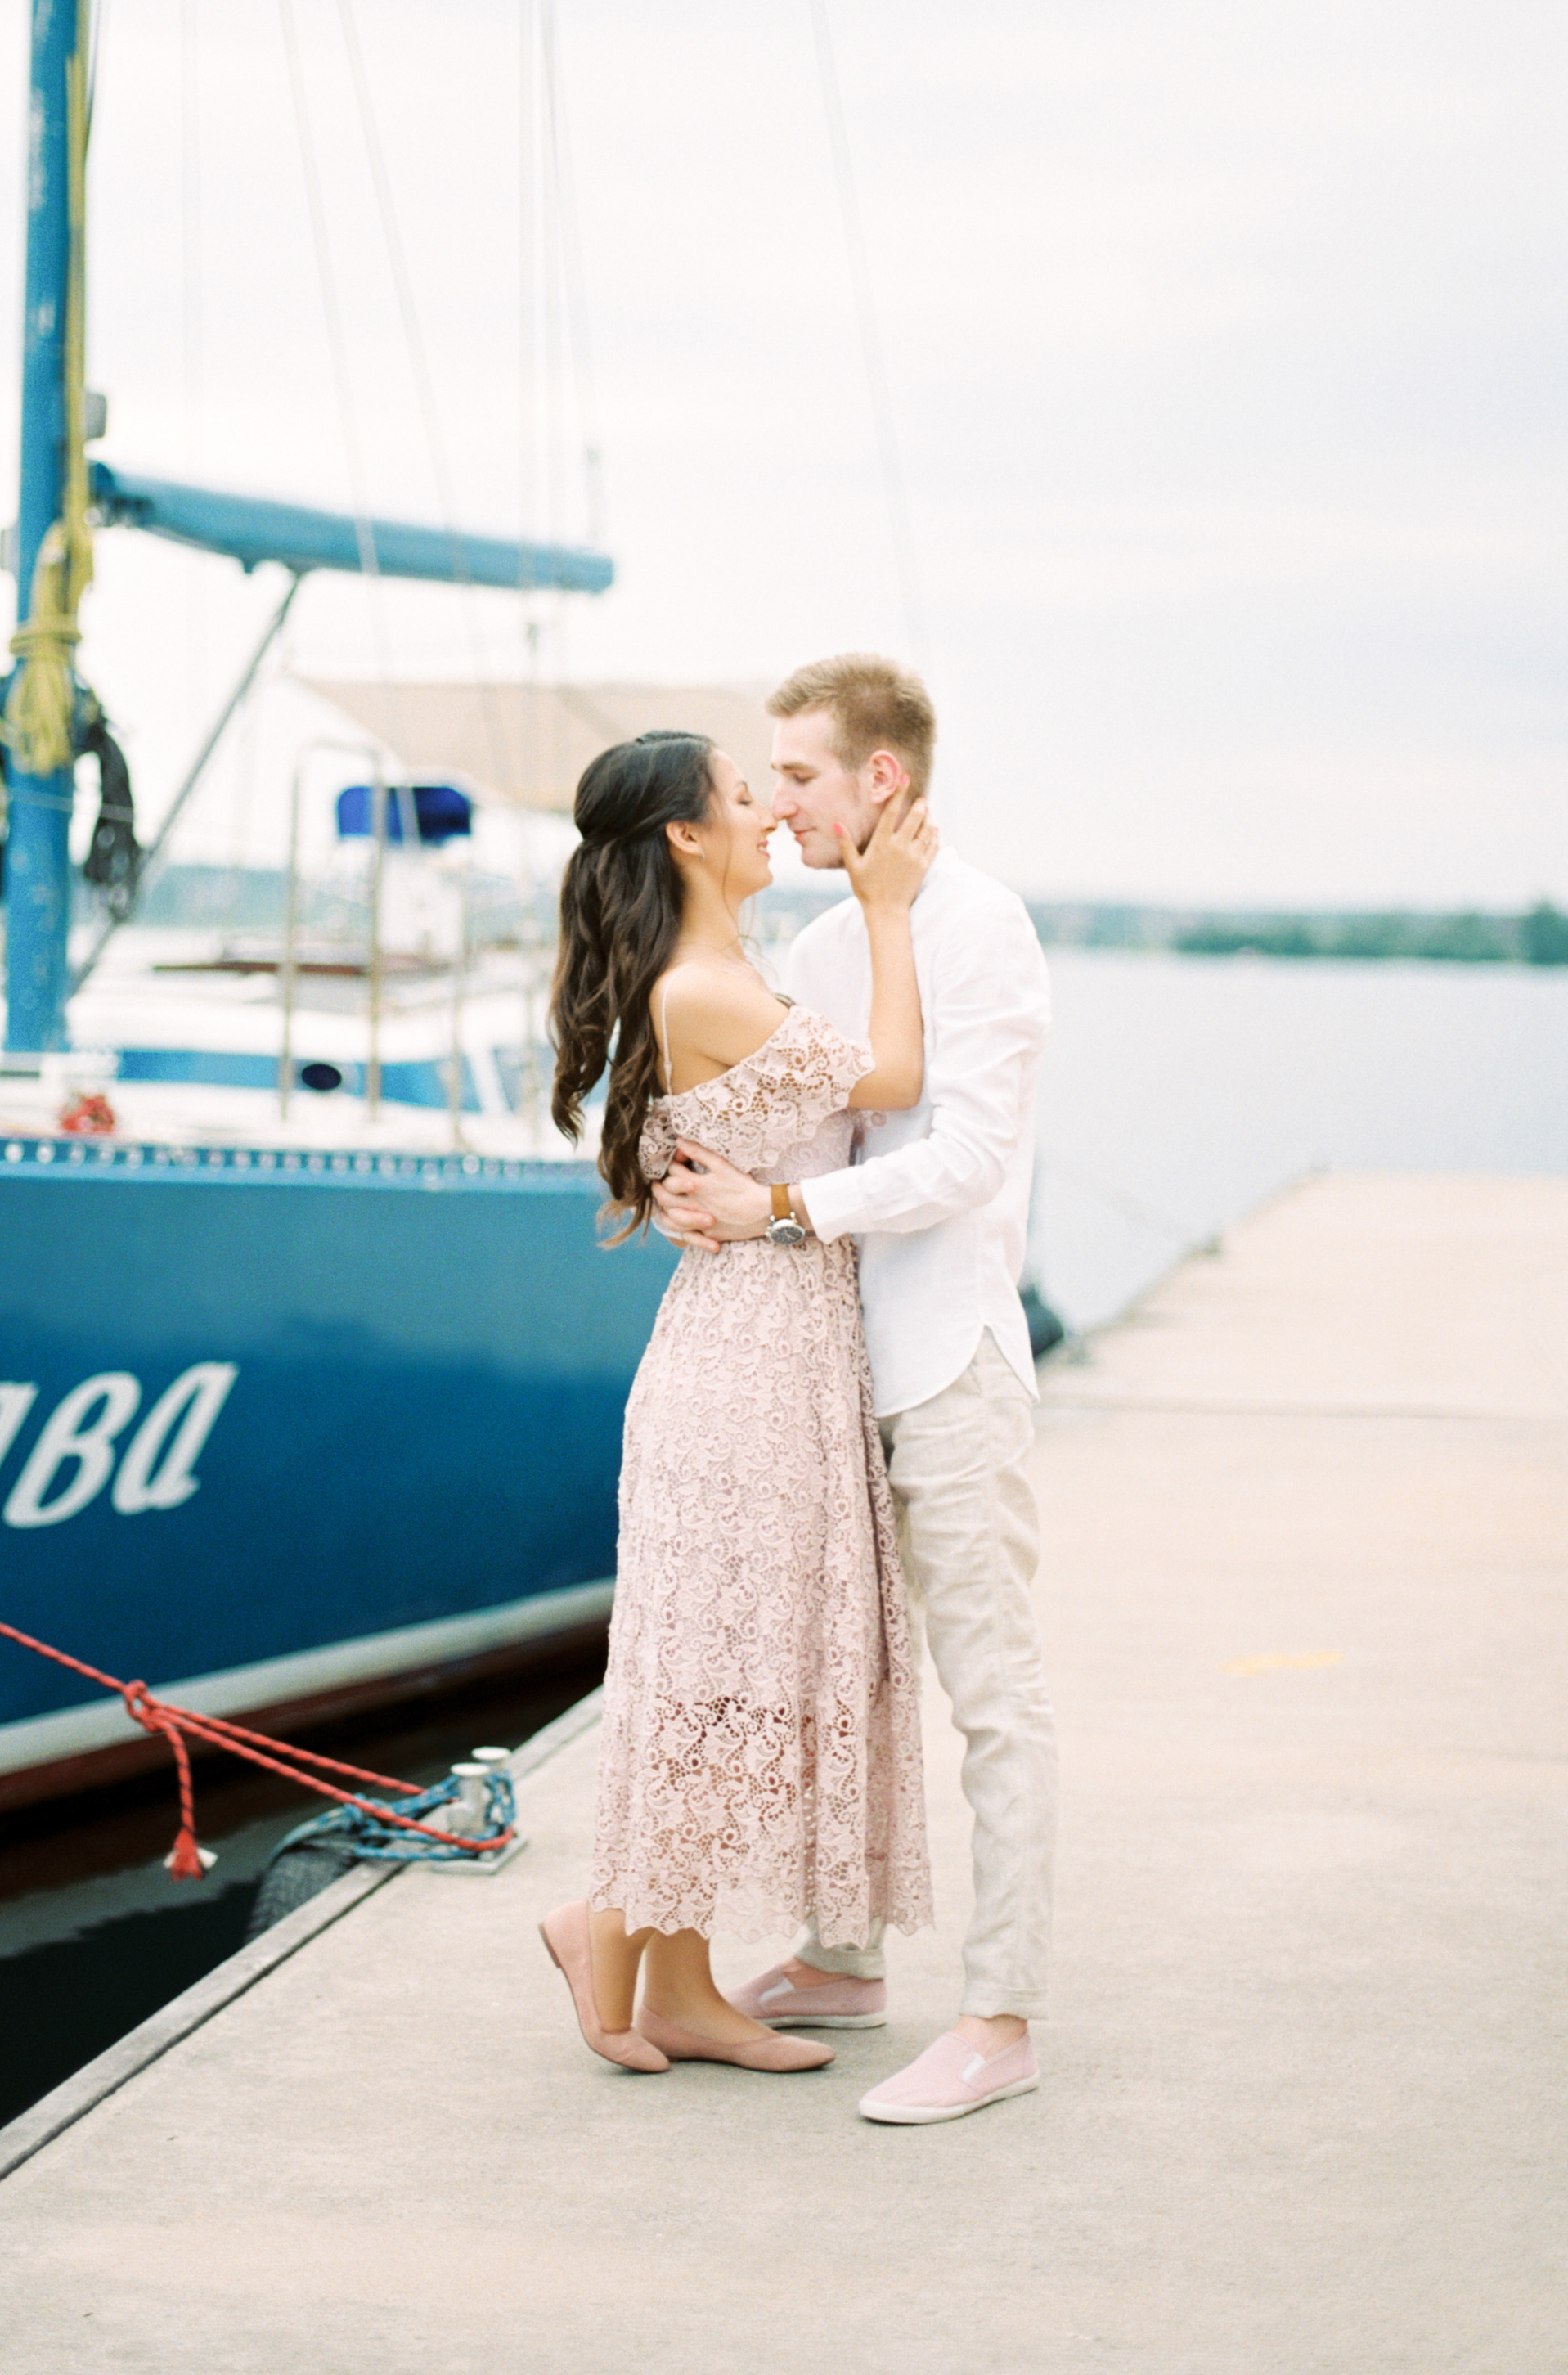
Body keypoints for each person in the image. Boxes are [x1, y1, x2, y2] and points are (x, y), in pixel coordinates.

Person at [654, 654, 1055, 2127]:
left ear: (882, 778)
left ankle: (1000, 2015)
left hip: (946, 1364)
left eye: (802, 775)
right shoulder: (829, 940)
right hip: (817, 1378)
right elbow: (794, 1121)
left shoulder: (986, 927)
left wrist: (770, 1211)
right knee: (852, 1687)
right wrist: (693, 1179)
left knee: (994, 1701)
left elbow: (965, 1161)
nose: (777, 798)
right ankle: (841, 1959)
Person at [538, 728, 938, 2076]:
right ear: (686, 839)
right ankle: (629, 1937)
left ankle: (647, 1953)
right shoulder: (703, 982)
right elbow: (889, 1080)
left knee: (729, 1669)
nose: (770, 809)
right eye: (740, 793)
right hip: (748, 1363)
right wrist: (883, 910)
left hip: (766, 1342)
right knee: (726, 1672)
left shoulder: (721, 970)